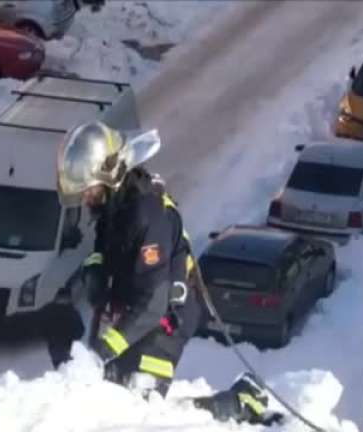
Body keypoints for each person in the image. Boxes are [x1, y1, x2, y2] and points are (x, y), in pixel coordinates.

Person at [40, 120, 279, 426]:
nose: (85, 197)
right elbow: (103, 253)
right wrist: (91, 276)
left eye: (89, 189)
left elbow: (153, 302)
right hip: (134, 311)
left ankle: (240, 401)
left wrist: (101, 352)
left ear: (110, 173)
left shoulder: (147, 214)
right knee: (107, 394)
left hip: (165, 318)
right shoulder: (113, 209)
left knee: (141, 412)